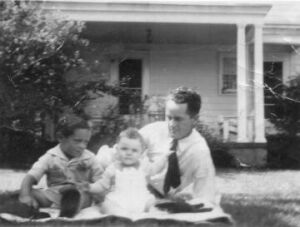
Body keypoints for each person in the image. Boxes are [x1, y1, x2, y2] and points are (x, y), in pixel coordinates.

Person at [139, 87, 219, 208]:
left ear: (194, 120)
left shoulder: (199, 151)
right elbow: (116, 153)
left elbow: (205, 194)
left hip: (163, 196)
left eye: (178, 119)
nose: (171, 125)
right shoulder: (152, 131)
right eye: (169, 117)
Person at [18, 114, 104, 214]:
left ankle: (69, 209)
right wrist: (25, 194)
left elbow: (101, 180)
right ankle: (26, 204)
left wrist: (98, 193)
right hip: (54, 195)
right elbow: (31, 176)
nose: (82, 146)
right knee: (30, 192)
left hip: (80, 194)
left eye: (86, 142)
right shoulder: (51, 156)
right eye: (77, 141)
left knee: (78, 195)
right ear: (60, 137)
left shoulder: (89, 158)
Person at [87, 128, 158, 216]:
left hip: (141, 198)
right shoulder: (113, 167)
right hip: (118, 199)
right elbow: (102, 185)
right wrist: (88, 187)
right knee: (108, 205)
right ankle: (120, 216)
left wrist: (166, 158)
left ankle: (149, 214)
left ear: (141, 152)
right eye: (124, 149)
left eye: (134, 150)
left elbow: (155, 169)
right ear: (117, 149)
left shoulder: (143, 165)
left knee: (152, 202)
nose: (129, 153)